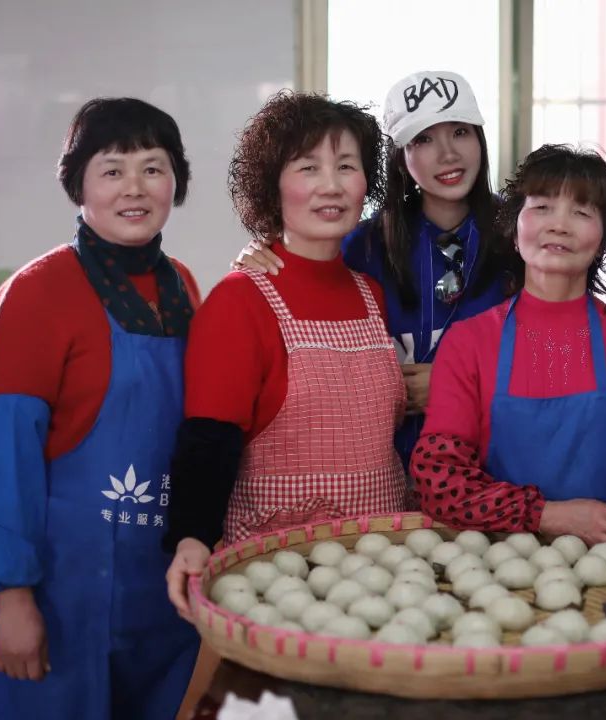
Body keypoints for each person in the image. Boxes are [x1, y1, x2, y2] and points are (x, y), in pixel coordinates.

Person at [0, 98, 202, 719]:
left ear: (175, 181)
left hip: (159, 598)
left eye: (153, 168)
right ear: (79, 185)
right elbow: (2, 461)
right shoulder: (34, 293)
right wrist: (12, 598)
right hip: (61, 598)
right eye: (112, 169)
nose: (135, 188)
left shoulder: (185, 285)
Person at [164, 91, 407, 620]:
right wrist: (191, 539)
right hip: (279, 579)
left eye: (347, 166)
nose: (331, 185)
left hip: (385, 568)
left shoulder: (372, 294)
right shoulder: (239, 299)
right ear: (273, 186)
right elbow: (207, 442)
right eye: (308, 167)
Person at [236, 71, 511, 469]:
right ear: (400, 156)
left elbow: (564, 354)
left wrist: (462, 384)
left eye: (461, 133)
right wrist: (260, 253)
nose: (448, 154)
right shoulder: (360, 245)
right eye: (424, 139)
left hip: (497, 469)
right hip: (382, 474)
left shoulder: (520, 238)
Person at [410, 145, 606, 549]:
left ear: (604, 236)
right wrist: (551, 515)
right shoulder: (470, 343)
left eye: (581, 212)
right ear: (514, 223)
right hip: (496, 564)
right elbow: (440, 479)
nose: (559, 225)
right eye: (542, 207)